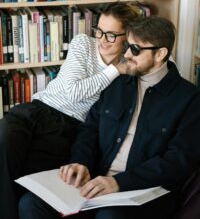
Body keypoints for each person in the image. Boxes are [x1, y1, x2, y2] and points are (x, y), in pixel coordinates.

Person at [19, 15, 200, 219]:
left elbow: (178, 160)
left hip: (144, 191)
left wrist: (119, 182)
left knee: (110, 216)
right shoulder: (118, 83)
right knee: (31, 204)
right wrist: (81, 163)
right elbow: (90, 130)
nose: (127, 55)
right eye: (127, 46)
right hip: (97, 181)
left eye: (136, 49)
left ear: (160, 54)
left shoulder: (189, 99)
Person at [0, 2, 138, 219]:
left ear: (128, 37)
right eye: (100, 31)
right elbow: (73, 92)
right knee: (4, 142)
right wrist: (114, 70)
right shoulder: (83, 43)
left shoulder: (130, 65)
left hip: (69, 127)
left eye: (111, 35)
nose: (102, 39)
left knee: (31, 174)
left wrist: (122, 68)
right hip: (38, 110)